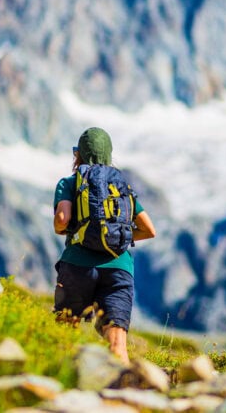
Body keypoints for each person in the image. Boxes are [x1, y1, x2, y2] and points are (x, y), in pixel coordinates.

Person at [53, 127, 156, 364]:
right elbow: (149, 230)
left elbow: (62, 220)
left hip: (77, 266)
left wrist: (69, 231)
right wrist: (119, 238)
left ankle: (64, 385)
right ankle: (124, 394)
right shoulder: (120, 186)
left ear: (78, 155)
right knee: (117, 342)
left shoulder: (70, 183)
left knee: (65, 333)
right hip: (118, 268)